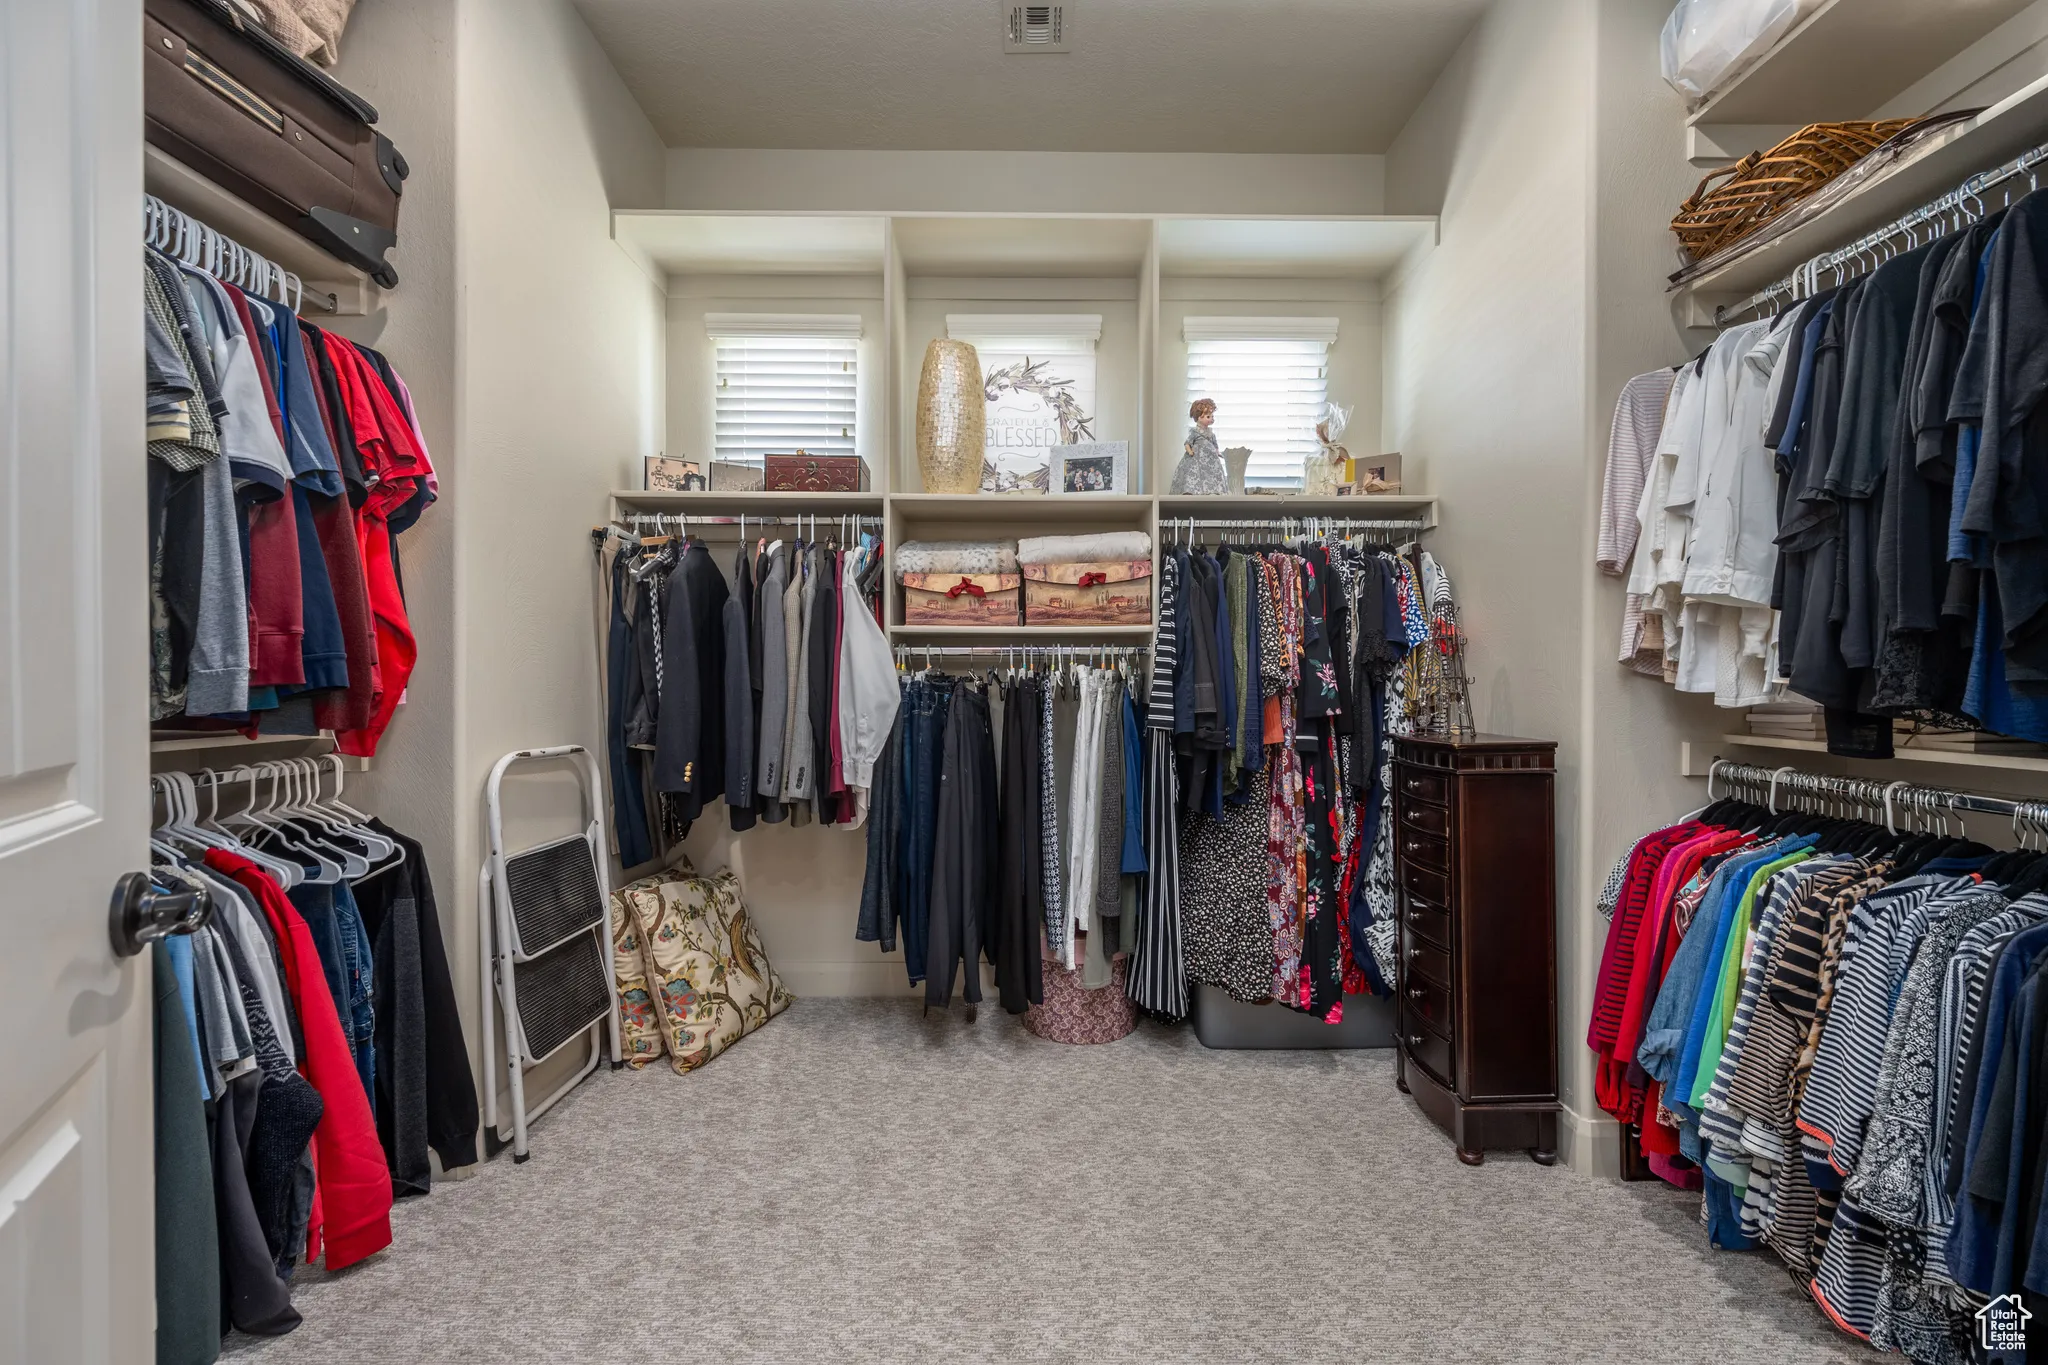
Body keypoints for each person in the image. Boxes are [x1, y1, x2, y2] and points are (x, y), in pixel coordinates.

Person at [1169, 398, 1226, 494]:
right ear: (1199, 417)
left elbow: (1215, 445)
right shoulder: (1195, 432)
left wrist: (1217, 452)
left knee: (1211, 473)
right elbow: (1187, 443)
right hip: (1197, 457)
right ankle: (1194, 491)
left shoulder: (1211, 433)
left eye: (1212, 416)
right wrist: (1190, 451)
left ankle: (1212, 490)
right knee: (1196, 473)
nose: (1211, 419)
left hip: (1210, 459)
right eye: (1208, 416)